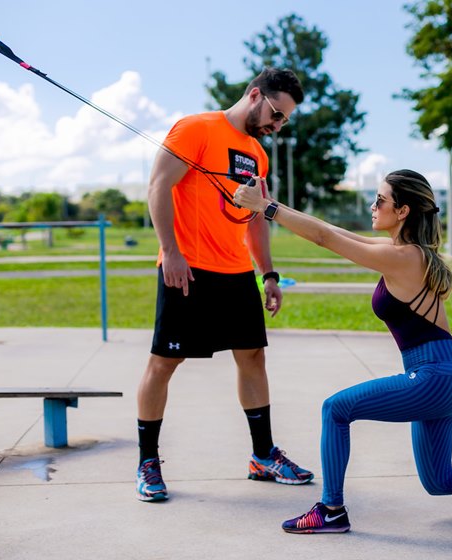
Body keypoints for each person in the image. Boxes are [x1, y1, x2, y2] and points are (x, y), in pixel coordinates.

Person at [234, 169, 452, 534]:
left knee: (335, 409)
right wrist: (268, 204)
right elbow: (330, 231)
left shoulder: (406, 258)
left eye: (380, 200)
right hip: (445, 380)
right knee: (439, 480)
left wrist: (266, 209)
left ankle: (331, 509)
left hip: (431, 378)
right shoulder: (402, 252)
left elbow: (323, 239)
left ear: (403, 211)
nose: (373, 205)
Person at [135, 68, 314, 502]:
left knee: (252, 357)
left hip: (236, 272)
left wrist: (267, 273)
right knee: (164, 362)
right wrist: (170, 251)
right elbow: (159, 187)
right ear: (255, 95)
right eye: (276, 114)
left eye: (285, 120)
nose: (278, 125)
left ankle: (263, 455)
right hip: (189, 268)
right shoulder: (195, 128)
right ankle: (147, 463)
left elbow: (256, 217)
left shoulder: (257, 154)